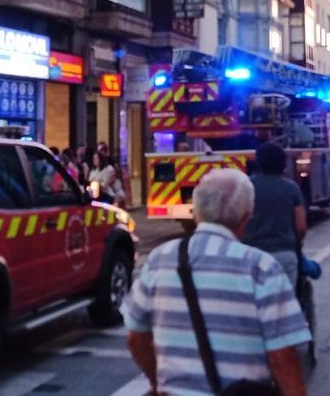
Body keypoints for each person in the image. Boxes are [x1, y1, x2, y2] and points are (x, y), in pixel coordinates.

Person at [123, 168, 310, 396]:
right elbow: (284, 356)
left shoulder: (158, 261)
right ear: (246, 218)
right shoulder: (262, 268)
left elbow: (136, 339)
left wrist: (157, 383)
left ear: (196, 213)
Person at [244, 143, 308, 286]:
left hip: (250, 255)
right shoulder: (292, 188)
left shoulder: (245, 186)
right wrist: (296, 244)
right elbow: (301, 227)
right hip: (284, 255)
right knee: (285, 303)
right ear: (283, 163)